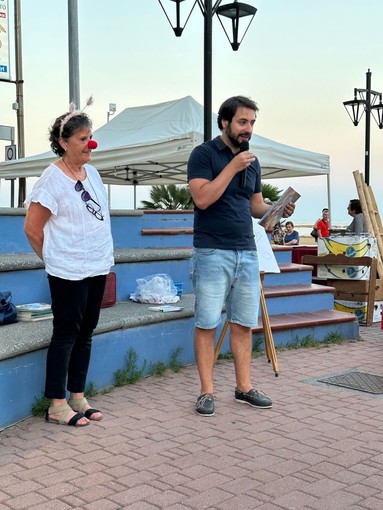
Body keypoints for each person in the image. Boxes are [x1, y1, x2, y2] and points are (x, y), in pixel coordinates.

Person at [187, 95, 295, 416]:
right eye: (242, 122)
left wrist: (279, 209)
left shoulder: (252, 161)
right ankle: (207, 391)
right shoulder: (204, 154)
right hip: (211, 251)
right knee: (207, 322)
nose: (248, 129)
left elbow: (254, 207)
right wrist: (232, 167)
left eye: (252, 123)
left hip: (247, 252)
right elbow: (203, 198)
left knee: (244, 324)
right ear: (225, 122)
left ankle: (243, 387)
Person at [24, 104, 114, 427]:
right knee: (65, 333)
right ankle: (56, 403)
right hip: (68, 272)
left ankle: (77, 395)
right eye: (82, 138)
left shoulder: (93, 174)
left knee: (86, 332)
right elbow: (32, 229)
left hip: (96, 267)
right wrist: (55, 260)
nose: (90, 144)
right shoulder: (52, 179)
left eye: (91, 137)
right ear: (64, 142)